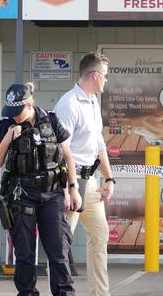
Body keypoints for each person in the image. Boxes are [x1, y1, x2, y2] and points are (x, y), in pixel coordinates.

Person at [0, 82, 81, 296]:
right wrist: (8, 138)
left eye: (18, 111)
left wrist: (73, 187)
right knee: (25, 256)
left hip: (52, 195)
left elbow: (68, 157)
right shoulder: (6, 125)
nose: (15, 116)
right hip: (21, 196)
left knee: (59, 253)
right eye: (11, 111)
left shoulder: (51, 120)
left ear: (30, 104)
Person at [54, 52, 114, 296]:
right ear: (95, 75)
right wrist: (70, 186)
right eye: (105, 77)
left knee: (100, 235)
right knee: (62, 245)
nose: (106, 81)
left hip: (90, 181)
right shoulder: (68, 104)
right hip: (71, 182)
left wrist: (109, 178)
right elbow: (60, 148)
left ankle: (100, 293)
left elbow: (98, 142)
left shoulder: (92, 102)